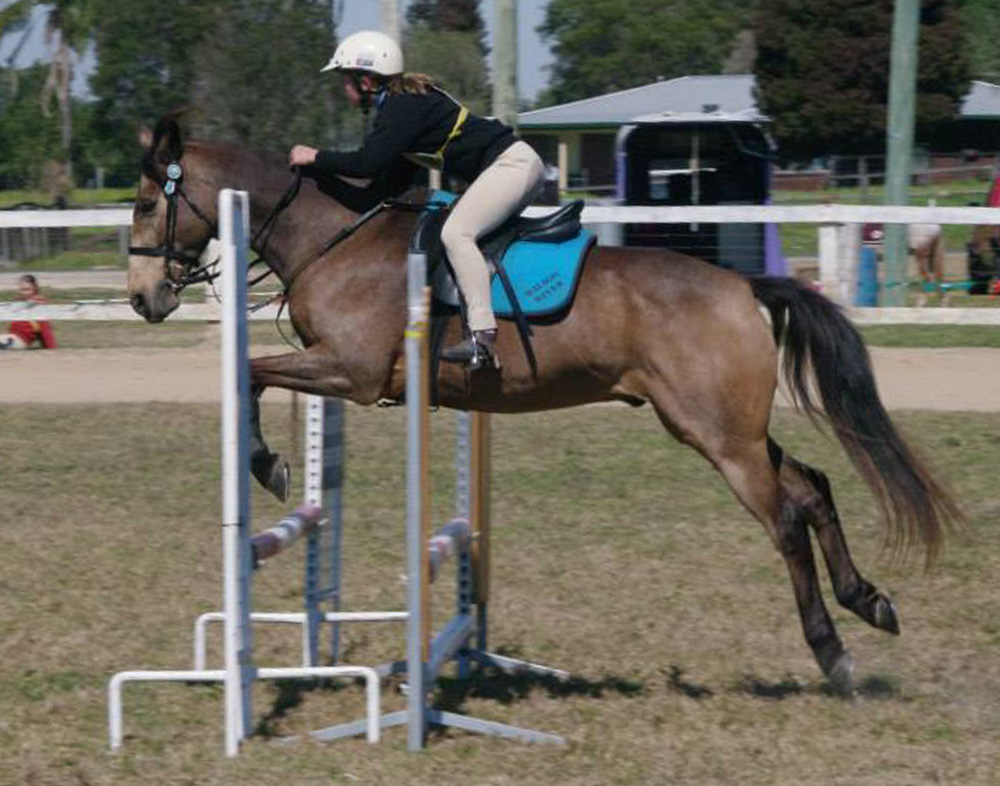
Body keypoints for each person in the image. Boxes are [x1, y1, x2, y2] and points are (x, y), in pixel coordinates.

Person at [289, 30, 545, 370]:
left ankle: (482, 340)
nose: (343, 88)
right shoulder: (403, 110)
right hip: (510, 167)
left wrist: (315, 157)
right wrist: (318, 183)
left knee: (457, 233)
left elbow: (366, 163)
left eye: (345, 80)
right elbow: (379, 192)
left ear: (366, 81)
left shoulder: (402, 108)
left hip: (512, 166)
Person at [0, 274, 57, 350]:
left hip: (21, 340)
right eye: (21, 290)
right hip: (11, 336)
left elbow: (45, 327)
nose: (24, 293)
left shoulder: (38, 305)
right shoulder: (18, 302)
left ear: (35, 288)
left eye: (27, 289)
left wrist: (51, 347)